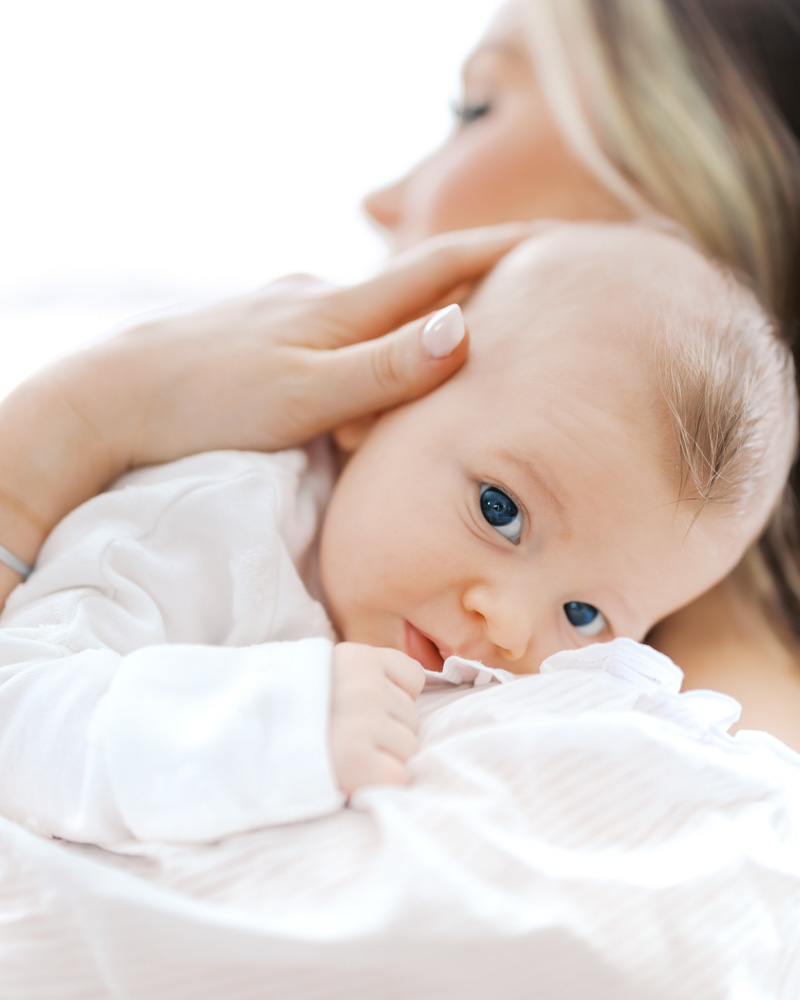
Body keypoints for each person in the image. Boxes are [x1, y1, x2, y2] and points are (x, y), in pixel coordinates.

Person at [1, 0, 800, 744]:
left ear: (689, 188)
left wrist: (81, 419)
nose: (382, 203)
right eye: (498, 508)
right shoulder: (231, 524)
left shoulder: (678, 756)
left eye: (475, 109)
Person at [0, 223, 795, 846]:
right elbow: (19, 707)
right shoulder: (213, 521)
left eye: (584, 615)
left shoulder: (528, 698)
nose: (509, 625)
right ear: (378, 402)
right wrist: (264, 724)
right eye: (499, 510)